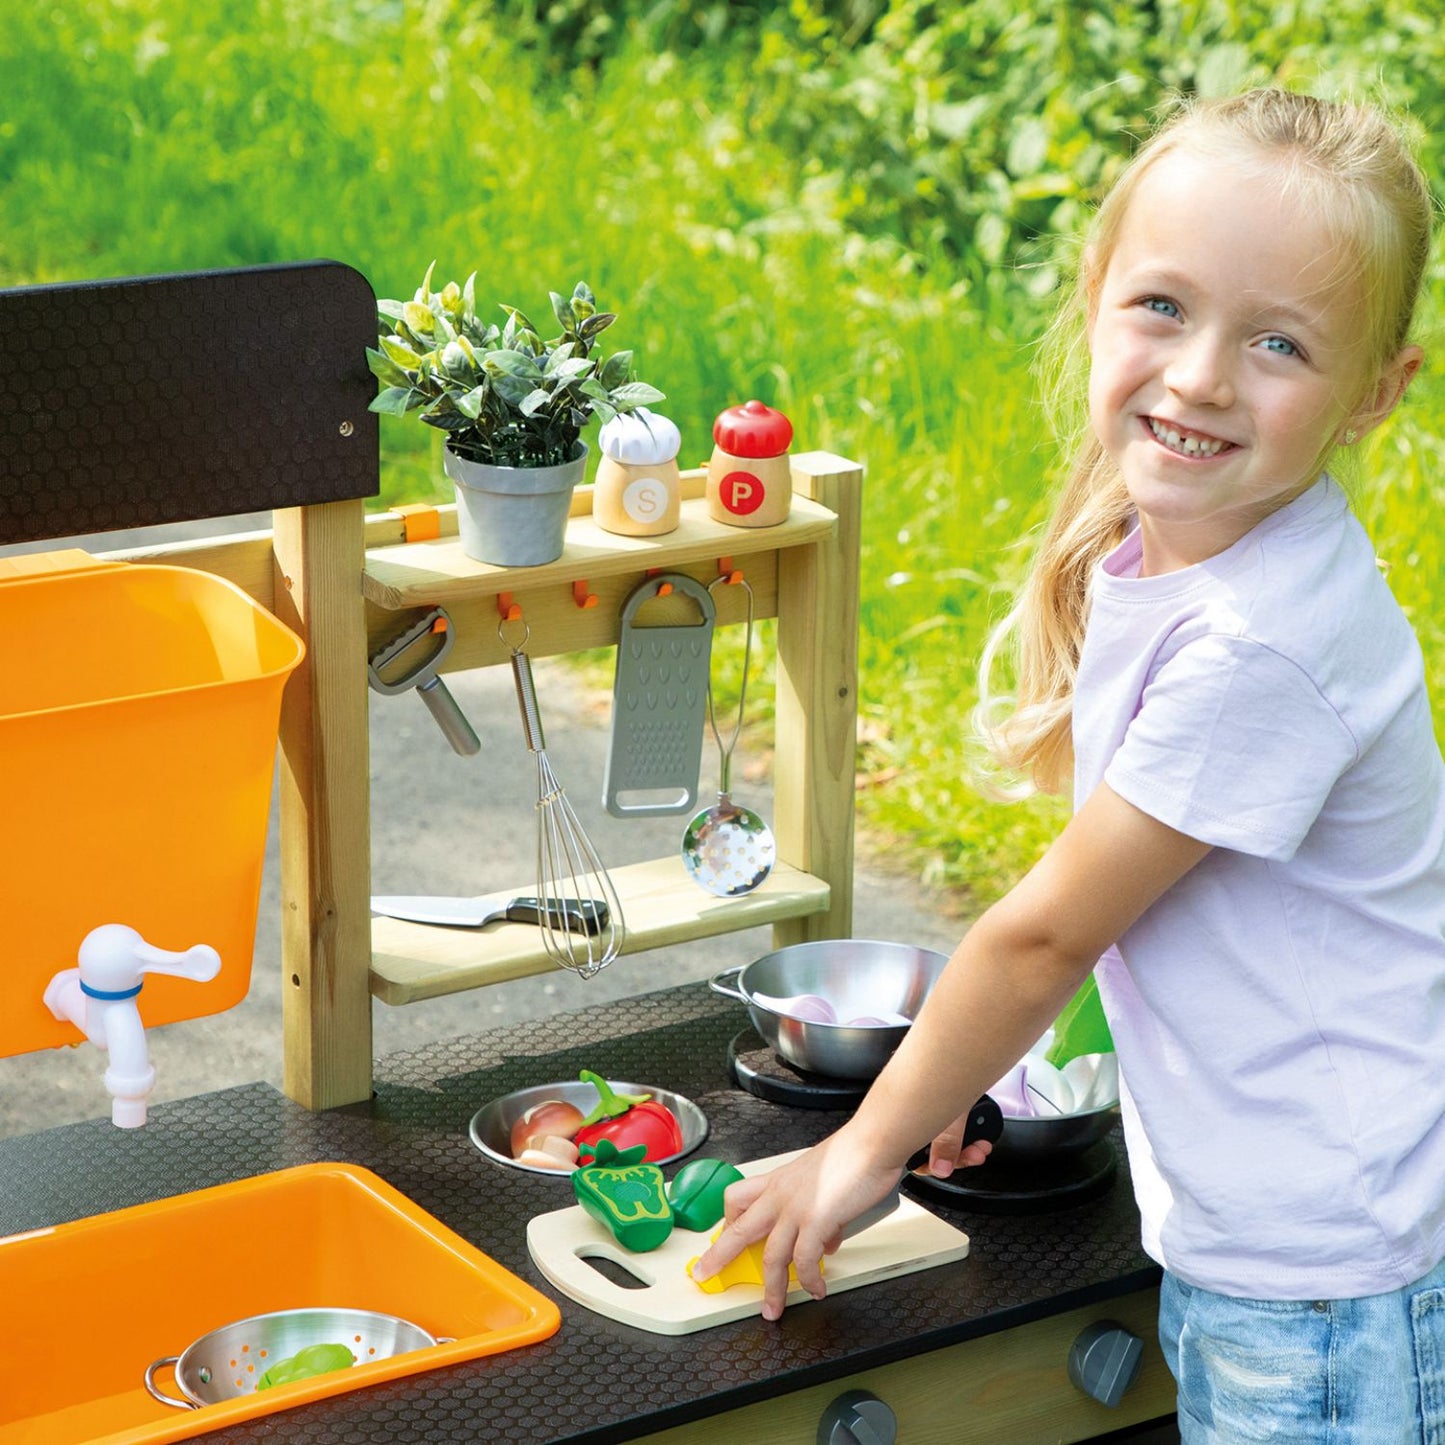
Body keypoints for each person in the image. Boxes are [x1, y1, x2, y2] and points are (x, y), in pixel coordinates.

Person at [691, 87, 1445, 1441]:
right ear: (1095, 294)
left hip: (1325, 1276)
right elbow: (1162, 903)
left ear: (1375, 395)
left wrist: (860, 1150)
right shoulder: (1191, 554)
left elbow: (1045, 935)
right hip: (1283, 1230)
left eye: (1277, 342)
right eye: (1164, 306)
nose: (1201, 375)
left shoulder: (1262, 640)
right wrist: (972, 1070)